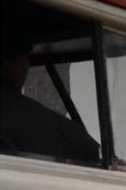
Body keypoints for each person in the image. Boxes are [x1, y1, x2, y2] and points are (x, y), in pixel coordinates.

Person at [0, 29, 100, 165]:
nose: (27, 67)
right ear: (10, 66)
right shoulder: (56, 129)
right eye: (24, 61)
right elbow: (90, 153)